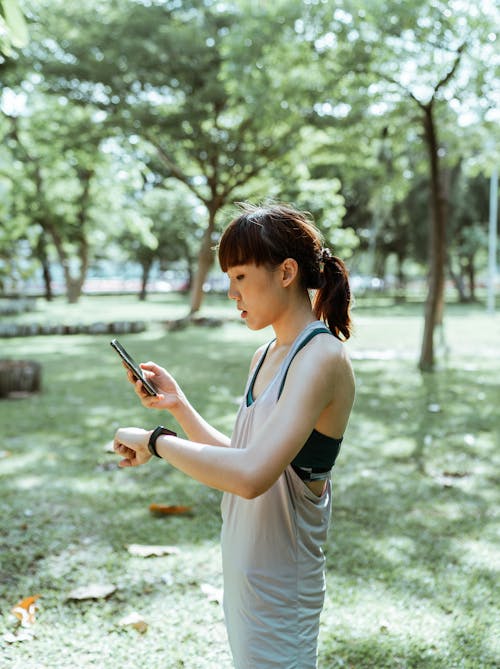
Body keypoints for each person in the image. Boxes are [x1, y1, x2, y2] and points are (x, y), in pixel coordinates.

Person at [113, 202, 355, 669]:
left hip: (284, 588)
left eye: (240, 276)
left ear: (286, 272)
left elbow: (250, 478)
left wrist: (156, 440)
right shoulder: (266, 354)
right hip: (247, 577)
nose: (230, 292)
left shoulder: (322, 357)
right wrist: (178, 407)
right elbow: (246, 457)